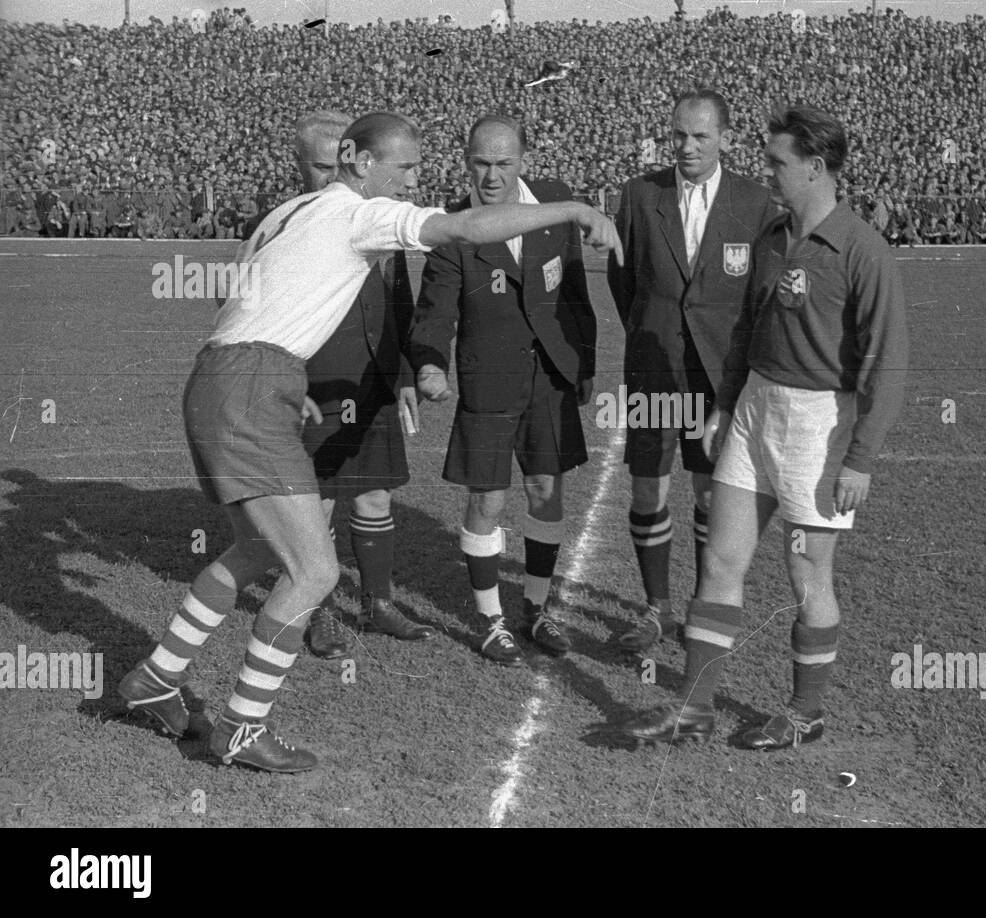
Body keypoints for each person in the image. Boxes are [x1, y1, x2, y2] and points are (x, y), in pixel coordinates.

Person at [117, 112, 621, 773]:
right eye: (406, 168)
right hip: (247, 386)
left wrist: (275, 364)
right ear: (357, 160)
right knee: (317, 569)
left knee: (259, 547)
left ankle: (156, 678)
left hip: (235, 377)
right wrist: (579, 208)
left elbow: (250, 289)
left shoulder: (294, 210)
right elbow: (465, 226)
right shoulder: (359, 212)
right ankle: (242, 726)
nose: (415, 180)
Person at [618, 106, 908, 750]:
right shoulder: (774, 235)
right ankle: (693, 709)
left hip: (817, 429)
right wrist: (725, 403)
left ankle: (805, 714)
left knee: (808, 579)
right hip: (753, 412)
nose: (768, 172)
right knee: (721, 561)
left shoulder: (861, 249)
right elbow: (749, 327)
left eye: (779, 162)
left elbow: (888, 363)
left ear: (817, 166)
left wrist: (859, 459)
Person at [411, 114, 596, 664]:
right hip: (489, 375)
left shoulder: (555, 203)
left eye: (504, 163)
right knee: (488, 497)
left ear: (525, 160)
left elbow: (576, 290)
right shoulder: (452, 228)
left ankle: (537, 609)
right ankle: (492, 619)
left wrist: (584, 360)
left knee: (546, 488)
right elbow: (435, 308)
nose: (492, 175)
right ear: (466, 161)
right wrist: (429, 364)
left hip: (551, 373)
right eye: (481, 163)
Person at [607, 88, 776, 652]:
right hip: (655, 369)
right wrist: (649, 335)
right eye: (679, 134)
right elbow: (622, 281)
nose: (686, 146)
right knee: (649, 486)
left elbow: (758, 296)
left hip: (719, 374)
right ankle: (656, 607)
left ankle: (704, 604)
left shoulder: (754, 202)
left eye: (700, 136)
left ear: (725, 138)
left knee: (711, 495)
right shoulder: (638, 195)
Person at [286, 110, 437, 659]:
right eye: (323, 167)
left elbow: (397, 302)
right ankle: (321, 611)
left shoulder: (379, 220)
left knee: (374, 494)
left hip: (372, 378)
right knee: (320, 500)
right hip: (315, 382)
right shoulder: (287, 223)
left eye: (341, 165)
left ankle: (378, 603)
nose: (334, 177)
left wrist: (401, 376)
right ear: (299, 165)